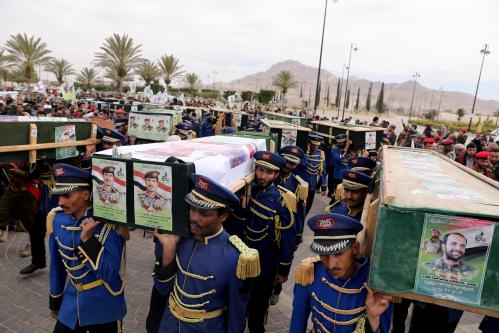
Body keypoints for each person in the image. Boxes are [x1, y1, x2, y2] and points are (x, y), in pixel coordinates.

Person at [148, 174, 259, 333]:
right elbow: (162, 288)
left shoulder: (235, 257)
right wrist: (169, 249)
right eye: (192, 209)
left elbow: (236, 315)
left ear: (223, 216)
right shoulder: (181, 238)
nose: (194, 218)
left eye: (204, 214)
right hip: (169, 324)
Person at [47, 163, 127, 333]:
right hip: (71, 303)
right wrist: (55, 299)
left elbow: (109, 272)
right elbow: (57, 265)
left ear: (85, 194)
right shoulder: (58, 220)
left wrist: (88, 241)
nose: (60, 202)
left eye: (67, 196)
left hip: (104, 306)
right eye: (59, 196)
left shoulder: (108, 225)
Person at [290, 213, 392, 333]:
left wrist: (373, 319)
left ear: (355, 248)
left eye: (338, 254)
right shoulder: (309, 273)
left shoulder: (375, 283)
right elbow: (297, 324)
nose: (330, 265)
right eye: (324, 255)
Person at [244, 151, 296, 333]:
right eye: (260, 170)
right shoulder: (250, 190)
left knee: (258, 311)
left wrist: (283, 270)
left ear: (276, 175)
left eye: (268, 172)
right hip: (243, 260)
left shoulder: (282, 202)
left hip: (265, 266)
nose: (262, 176)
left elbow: (288, 239)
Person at [270, 145, 307, 306]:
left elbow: (300, 215)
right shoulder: (270, 176)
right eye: (286, 161)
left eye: (292, 164)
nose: (288, 166)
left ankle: (276, 288)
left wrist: (297, 238)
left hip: (286, 230)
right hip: (267, 227)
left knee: (281, 260)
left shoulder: (298, 185)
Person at [327, 134, 351, 200]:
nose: (341, 144)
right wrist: (346, 148)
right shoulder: (334, 149)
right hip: (338, 175)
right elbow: (338, 158)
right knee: (338, 194)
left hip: (348, 175)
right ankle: (333, 206)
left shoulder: (350, 148)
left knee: (345, 195)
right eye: (339, 142)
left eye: (342, 142)